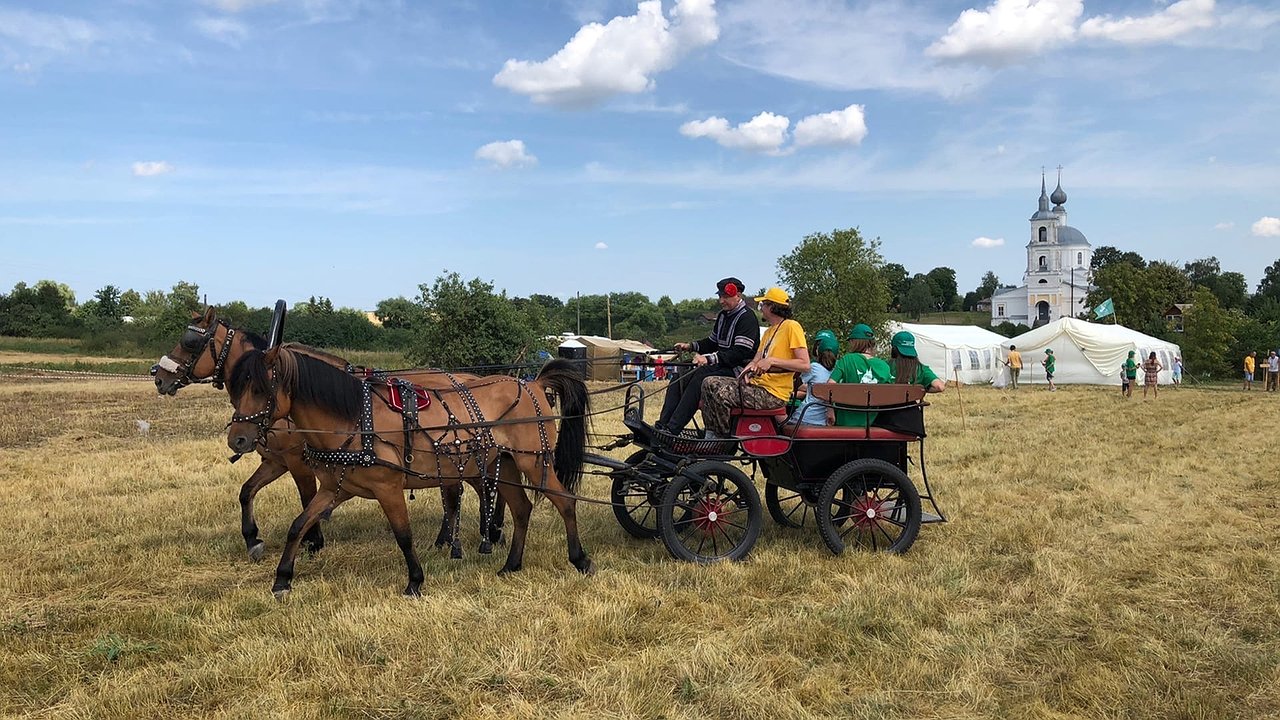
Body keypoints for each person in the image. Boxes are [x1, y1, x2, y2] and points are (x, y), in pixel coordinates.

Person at [656, 277, 759, 435]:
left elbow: (740, 353)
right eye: (720, 296)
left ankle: (673, 429)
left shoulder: (747, 318)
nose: (721, 301)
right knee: (680, 373)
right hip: (721, 365)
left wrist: (709, 358)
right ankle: (662, 425)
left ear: (738, 295)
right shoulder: (723, 316)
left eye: (725, 297)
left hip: (738, 369)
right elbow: (712, 342)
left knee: (699, 377)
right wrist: (690, 346)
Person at [701, 288, 809, 436]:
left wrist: (771, 361)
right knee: (708, 382)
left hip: (774, 394)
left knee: (721, 393)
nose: (761, 309)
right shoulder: (770, 331)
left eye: (762, 305)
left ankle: (721, 438)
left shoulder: (792, 326)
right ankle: (710, 433)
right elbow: (756, 360)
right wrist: (748, 370)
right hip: (759, 387)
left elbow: (805, 364)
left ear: (772, 307)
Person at [827, 323, 895, 427]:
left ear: (855, 342)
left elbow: (829, 386)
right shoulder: (884, 366)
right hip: (873, 424)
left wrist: (830, 409)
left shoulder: (847, 360)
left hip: (844, 423)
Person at [788, 329, 839, 426]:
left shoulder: (814, 367)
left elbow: (796, 384)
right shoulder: (837, 371)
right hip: (823, 422)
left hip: (804, 417)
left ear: (818, 351)